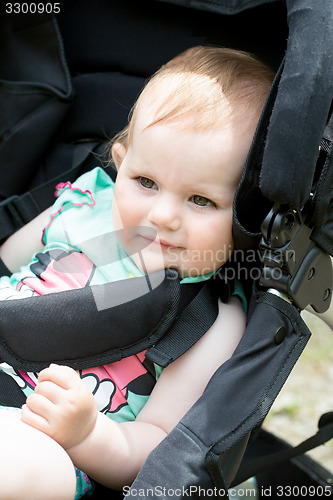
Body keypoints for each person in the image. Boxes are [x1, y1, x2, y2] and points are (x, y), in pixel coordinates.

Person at [0, 46, 274, 499]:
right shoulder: (85, 202)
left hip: (49, 443)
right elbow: (8, 258)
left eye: (201, 200)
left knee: (22, 466)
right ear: (121, 161)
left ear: (249, 215)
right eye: (146, 182)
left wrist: (88, 435)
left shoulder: (211, 320)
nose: (162, 215)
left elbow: (157, 452)